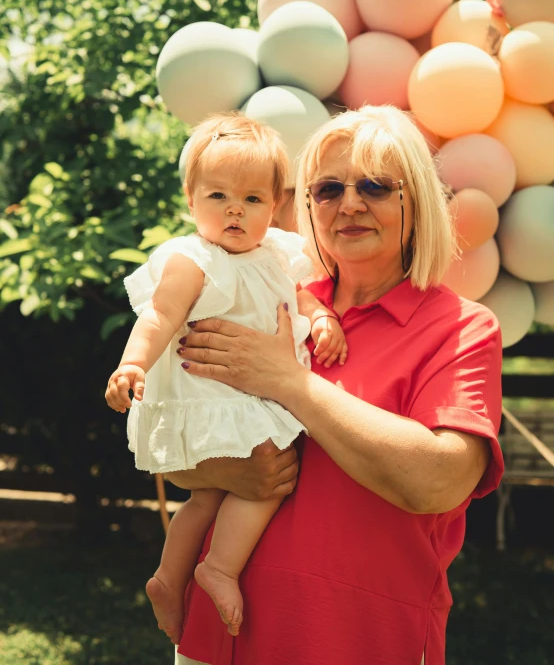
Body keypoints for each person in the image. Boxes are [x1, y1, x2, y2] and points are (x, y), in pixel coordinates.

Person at [170, 104, 504, 665]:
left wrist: (288, 382)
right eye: (327, 189)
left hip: (357, 640)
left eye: (374, 185)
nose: (349, 204)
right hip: (218, 636)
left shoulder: (461, 327)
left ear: (416, 199)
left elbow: (440, 481)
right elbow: (172, 451)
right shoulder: (264, 297)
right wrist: (228, 470)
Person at [105, 112, 347, 643]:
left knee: (207, 499)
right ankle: (219, 568)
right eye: (218, 196)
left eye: (253, 199)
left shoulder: (278, 253)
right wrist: (132, 364)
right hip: (217, 399)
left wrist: (323, 317)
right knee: (270, 475)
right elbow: (159, 317)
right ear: (191, 200)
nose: (235, 209)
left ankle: (168, 578)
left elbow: (301, 296)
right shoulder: (191, 260)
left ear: (275, 206)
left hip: (252, 394)